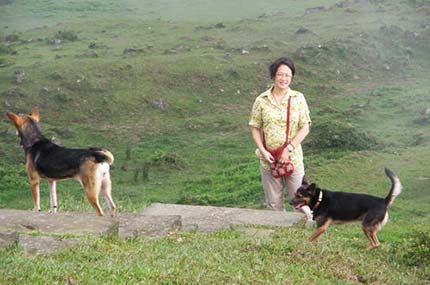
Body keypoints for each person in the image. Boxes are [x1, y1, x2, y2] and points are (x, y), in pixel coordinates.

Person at [249, 57, 313, 221]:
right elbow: (255, 127)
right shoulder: (261, 100)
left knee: (300, 202)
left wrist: (289, 149)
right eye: (280, 74)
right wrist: (263, 151)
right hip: (268, 160)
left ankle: (300, 237)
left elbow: (305, 127)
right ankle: (278, 237)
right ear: (273, 75)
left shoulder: (298, 98)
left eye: (288, 75)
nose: (284, 79)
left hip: (293, 159)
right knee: (273, 203)